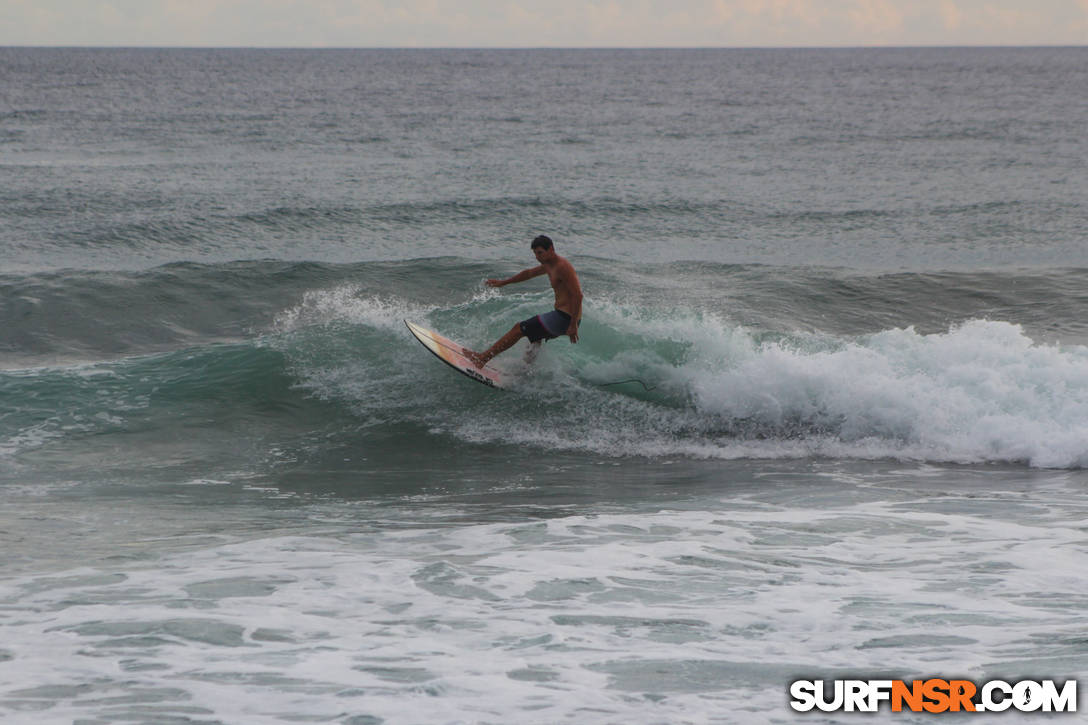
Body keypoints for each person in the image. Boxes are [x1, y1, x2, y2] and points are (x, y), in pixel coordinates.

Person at [464, 235, 582, 368]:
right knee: (535, 337)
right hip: (562, 316)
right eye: (535, 254)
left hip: (566, 318)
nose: (537, 257)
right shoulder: (549, 265)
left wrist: (573, 325)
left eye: (540, 253)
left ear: (551, 249)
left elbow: (578, 296)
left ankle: (482, 359)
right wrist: (503, 283)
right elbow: (528, 273)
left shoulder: (563, 267)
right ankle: (524, 372)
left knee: (519, 329)